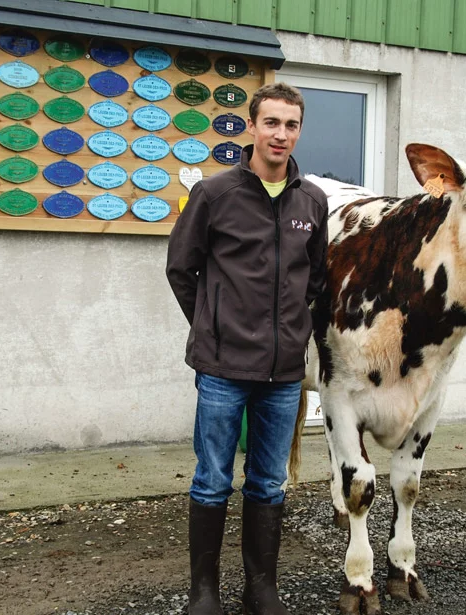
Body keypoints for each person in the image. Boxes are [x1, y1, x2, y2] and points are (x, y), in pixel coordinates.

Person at [165, 83, 328, 615]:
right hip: (222, 369)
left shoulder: (312, 201)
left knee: (268, 482)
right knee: (212, 480)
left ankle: (261, 588)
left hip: (283, 373)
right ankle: (204, 592)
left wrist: (295, 332)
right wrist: (211, 327)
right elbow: (180, 268)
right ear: (252, 126)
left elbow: (315, 280)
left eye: (292, 125)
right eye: (272, 123)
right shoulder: (215, 195)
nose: (281, 134)